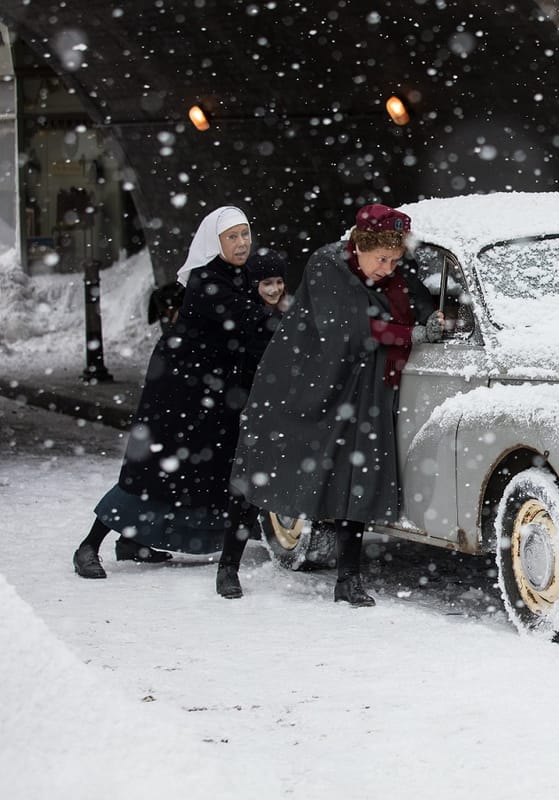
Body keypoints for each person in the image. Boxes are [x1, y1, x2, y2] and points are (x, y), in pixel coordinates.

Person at [227, 204, 439, 606]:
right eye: (382, 259)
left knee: (354, 478)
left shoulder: (388, 269)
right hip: (300, 383)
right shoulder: (327, 266)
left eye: (395, 260)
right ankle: (228, 564)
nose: (388, 268)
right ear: (359, 246)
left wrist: (433, 317)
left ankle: (349, 580)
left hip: (360, 388)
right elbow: (349, 330)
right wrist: (409, 333)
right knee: (264, 467)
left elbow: (412, 295)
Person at [72, 206, 274, 579]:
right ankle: (88, 545)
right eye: (232, 236)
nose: (242, 242)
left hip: (212, 392)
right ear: (215, 242)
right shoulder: (207, 281)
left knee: (192, 471)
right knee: (151, 471)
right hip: (179, 391)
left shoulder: (239, 276)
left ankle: (133, 541)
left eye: (245, 234)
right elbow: (252, 323)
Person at [213, 247, 290, 599]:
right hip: (252, 413)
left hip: (281, 412)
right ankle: (228, 567)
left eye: (278, 282)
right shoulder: (249, 317)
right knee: (245, 492)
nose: (274, 289)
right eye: (266, 283)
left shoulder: (286, 315)